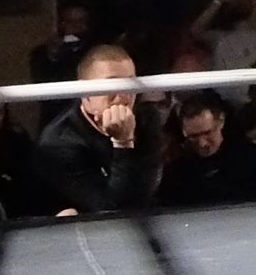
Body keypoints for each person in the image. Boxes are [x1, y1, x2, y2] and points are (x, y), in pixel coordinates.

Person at [34, 44, 164, 215]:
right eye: (112, 85)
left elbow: (147, 190)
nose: (123, 96)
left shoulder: (146, 118)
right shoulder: (59, 141)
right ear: (85, 92)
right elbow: (113, 210)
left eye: (130, 84)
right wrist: (123, 143)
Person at [160, 95, 256, 207]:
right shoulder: (177, 172)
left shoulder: (254, 160)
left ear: (221, 121)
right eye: (193, 136)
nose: (202, 143)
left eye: (207, 133)